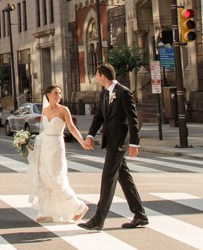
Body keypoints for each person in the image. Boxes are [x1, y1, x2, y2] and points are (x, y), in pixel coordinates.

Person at [79, 64, 148, 230]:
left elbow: (133, 119)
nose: (96, 78)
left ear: (103, 76)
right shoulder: (104, 94)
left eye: (97, 75)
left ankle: (98, 219)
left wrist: (134, 143)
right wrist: (90, 135)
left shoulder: (124, 92)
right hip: (110, 141)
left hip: (119, 143)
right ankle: (140, 215)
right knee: (124, 178)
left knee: (108, 178)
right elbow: (99, 117)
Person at [28, 84, 88, 223]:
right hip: (45, 146)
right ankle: (47, 211)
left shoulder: (64, 110)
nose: (58, 96)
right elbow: (42, 132)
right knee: (44, 177)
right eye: (55, 93)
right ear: (48, 95)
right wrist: (33, 144)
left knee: (56, 179)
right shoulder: (44, 110)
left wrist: (82, 141)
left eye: (59, 93)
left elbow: (72, 128)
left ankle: (79, 207)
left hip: (56, 146)